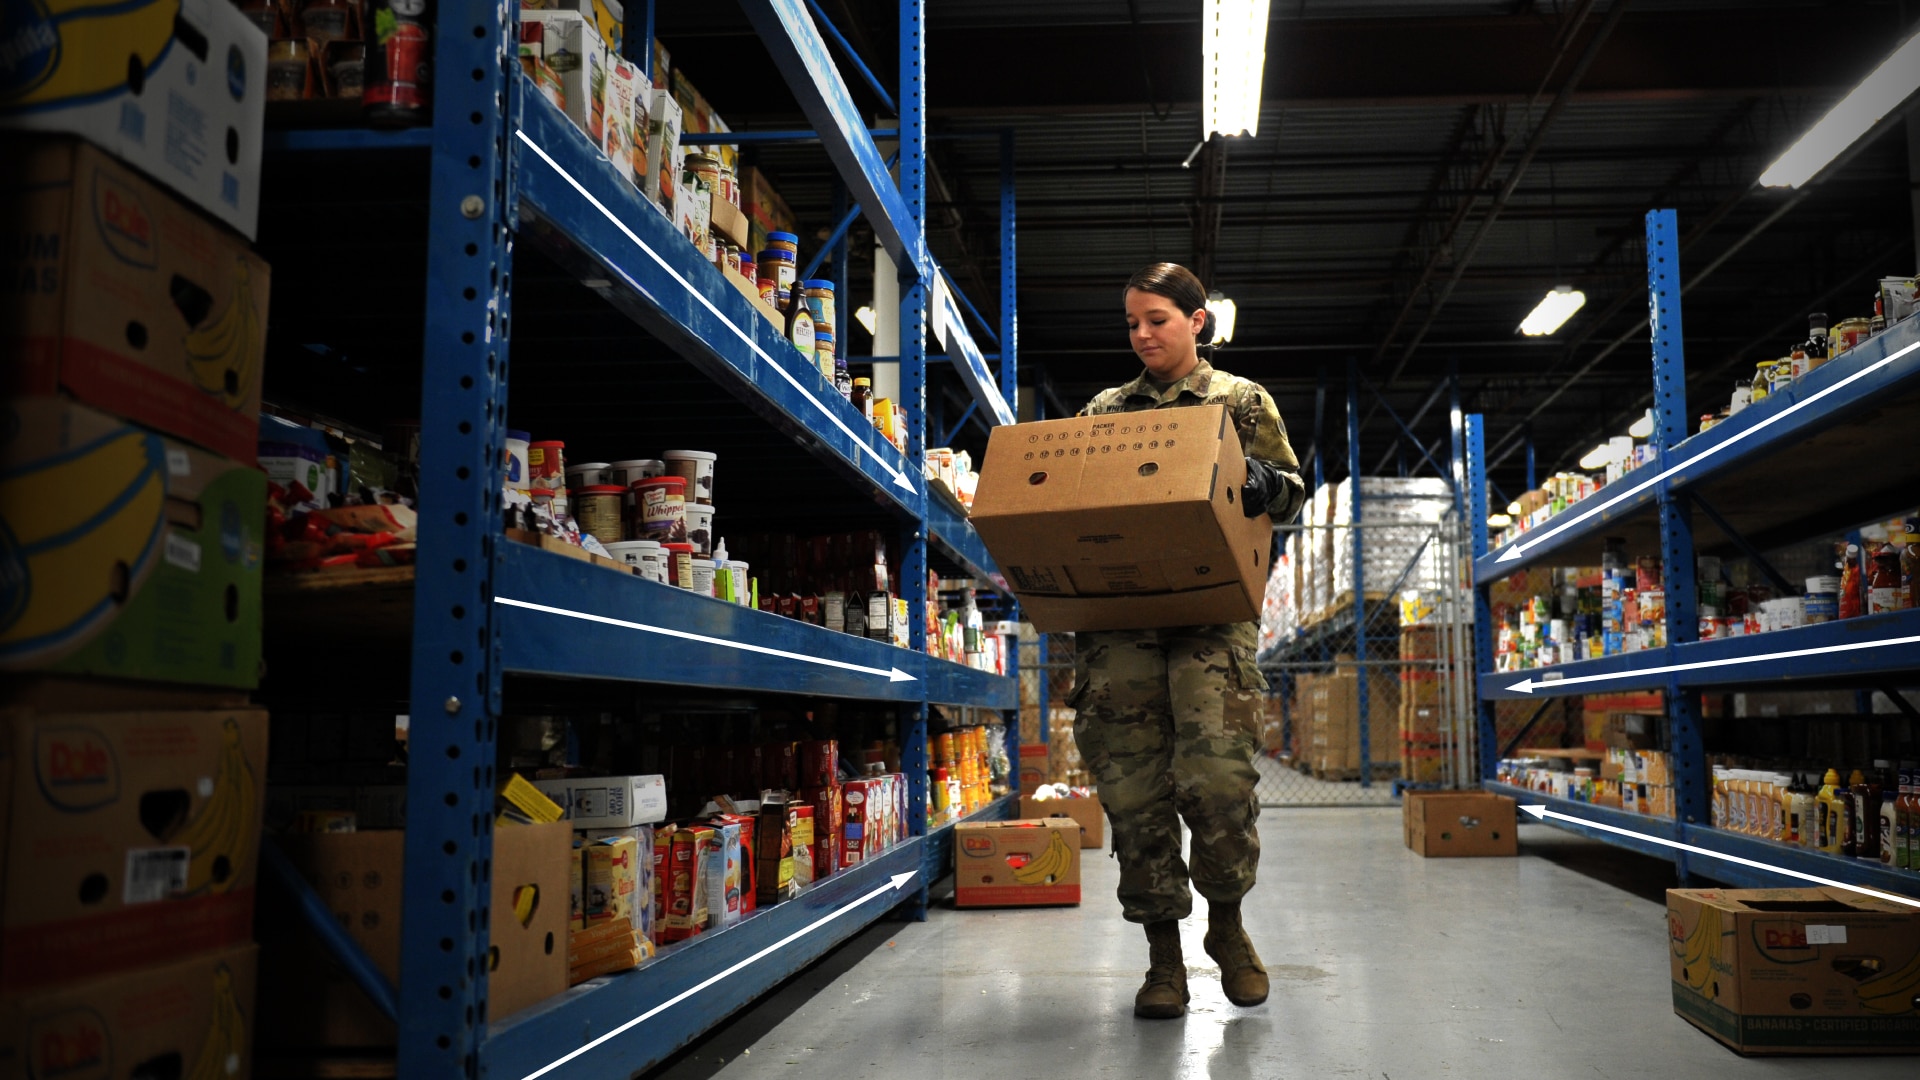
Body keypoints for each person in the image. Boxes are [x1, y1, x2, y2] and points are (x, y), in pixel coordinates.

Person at [1070, 262, 1305, 1020]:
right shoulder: (1105, 410)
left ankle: (1228, 931)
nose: (1142, 335)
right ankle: (1162, 959)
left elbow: (1291, 488)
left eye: (1157, 321)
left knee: (1218, 786)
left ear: (1197, 321)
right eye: (1132, 322)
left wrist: (1267, 485)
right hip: (1121, 629)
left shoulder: (1239, 402)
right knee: (1135, 797)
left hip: (1210, 623)